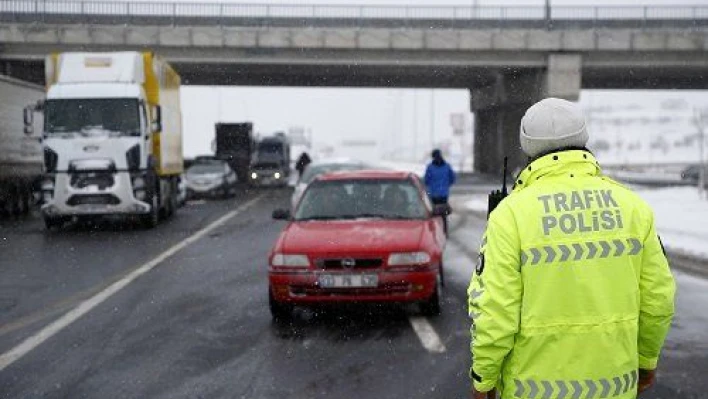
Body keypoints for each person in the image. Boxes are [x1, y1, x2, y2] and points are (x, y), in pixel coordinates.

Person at [468, 98, 676, 399]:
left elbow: (494, 308)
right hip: (614, 388)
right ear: (583, 139)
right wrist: (646, 360)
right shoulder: (633, 207)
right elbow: (658, 299)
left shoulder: (511, 215)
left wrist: (483, 378)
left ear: (527, 147)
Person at [424, 149, 455, 234]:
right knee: (443, 214)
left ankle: (435, 232)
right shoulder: (447, 166)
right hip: (444, 194)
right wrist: (446, 185)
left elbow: (426, 180)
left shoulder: (430, 167)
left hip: (433, 194)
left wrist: (431, 186)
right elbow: (452, 178)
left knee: (434, 213)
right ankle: (445, 231)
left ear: (433, 157)